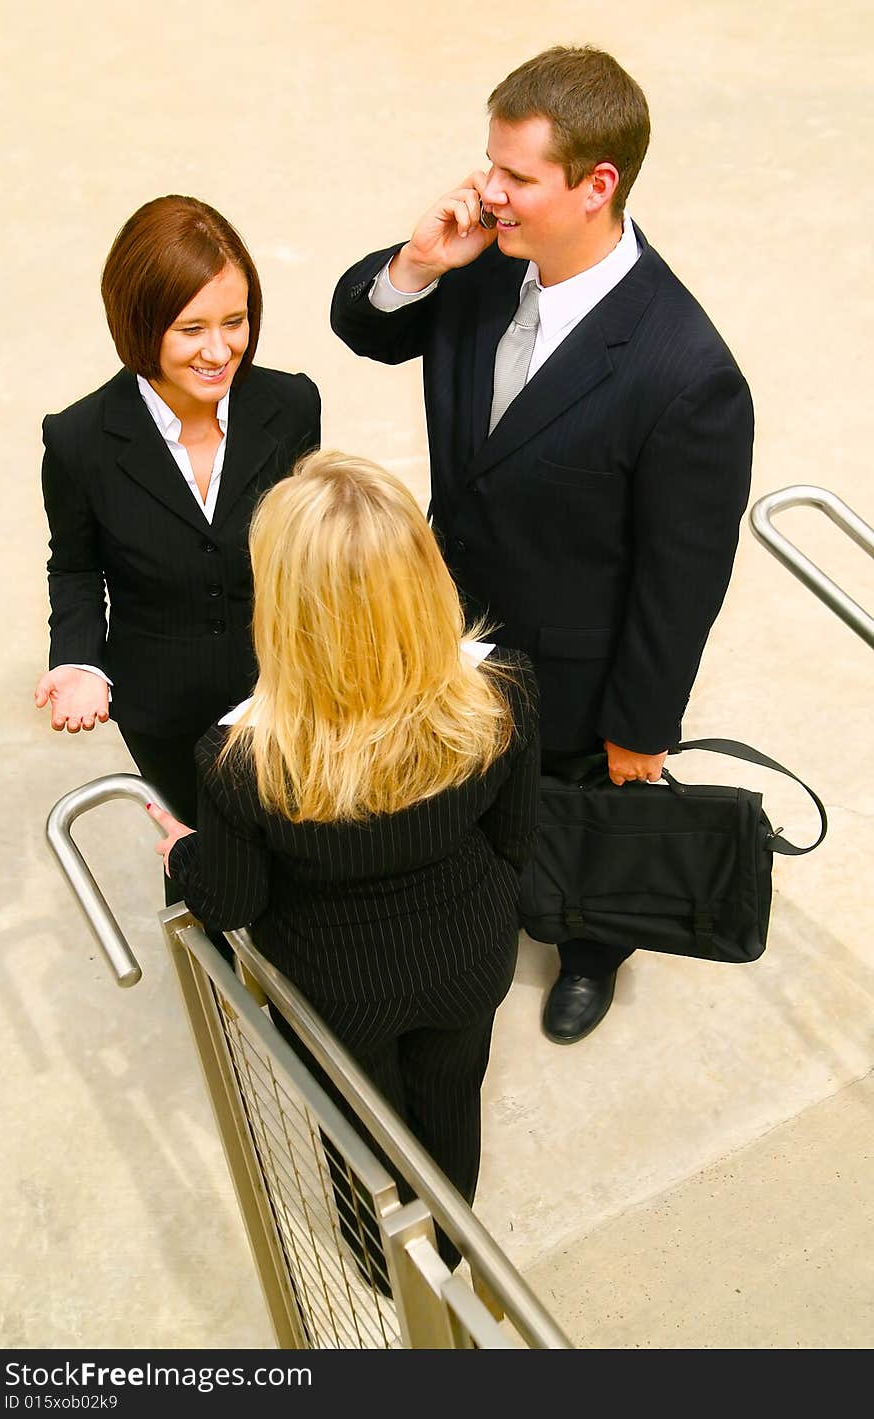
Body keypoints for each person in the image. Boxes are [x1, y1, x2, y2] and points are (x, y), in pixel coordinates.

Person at [330, 44, 754, 1046]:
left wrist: (640, 729)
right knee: (462, 793)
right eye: (489, 162)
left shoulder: (683, 373)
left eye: (515, 176)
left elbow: (678, 579)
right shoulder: (482, 273)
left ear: (596, 184)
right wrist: (419, 262)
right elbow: (369, 327)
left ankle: (592, 947)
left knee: (575, 816)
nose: (488, 191)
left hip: (571, 669)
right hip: (449, 623)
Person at [146, 449, 539, 1273]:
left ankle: (381, 1268)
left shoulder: (240, 757)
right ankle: (450, 1261)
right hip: (471, 953)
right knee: (451, 1098)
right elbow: (515, 839)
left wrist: (183, 853)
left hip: (334, 988)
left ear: (287, 606)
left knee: (360, 1135)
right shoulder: (501, 687)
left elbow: (234, 901)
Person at [35, 194, 321, 889]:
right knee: (198, 855)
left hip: (287, 690)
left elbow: (311, 544)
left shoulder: (291, 406)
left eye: (235, 320)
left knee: (303, 848)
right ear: (138, 324)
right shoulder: (78, 440)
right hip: (165, 710)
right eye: (191, 329)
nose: (220, 350)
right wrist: (78, 659)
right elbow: (74, 567)